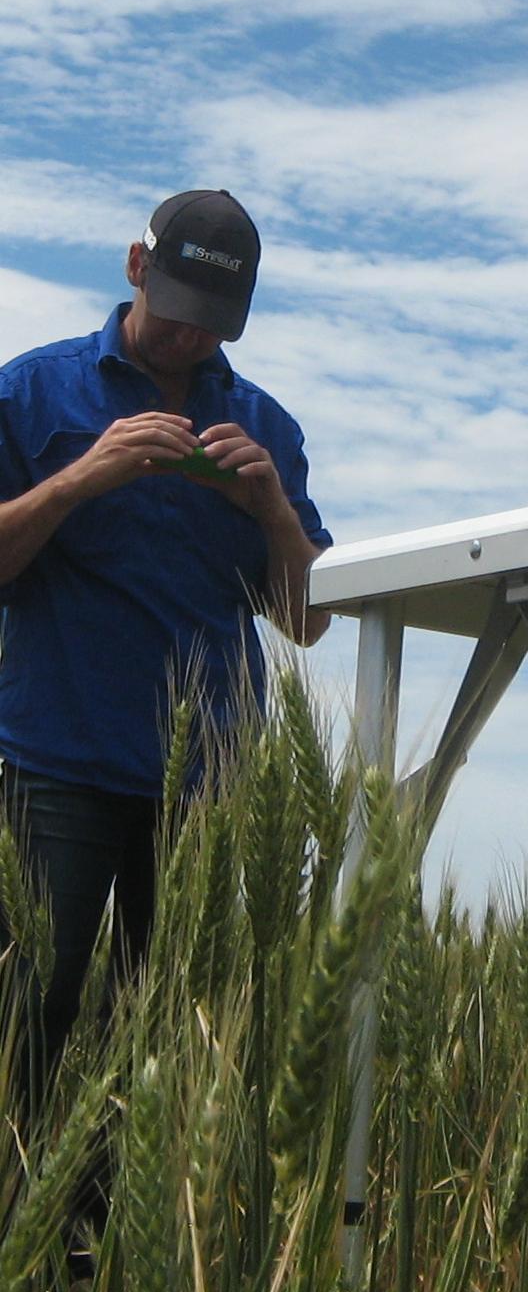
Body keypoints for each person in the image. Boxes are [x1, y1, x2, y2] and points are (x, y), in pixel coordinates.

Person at [0, 189, 331, 1108]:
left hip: (209, 784)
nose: (192, 342)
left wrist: (270, 512)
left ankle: (113, 1237)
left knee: (165, 1033)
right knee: (31, 1010)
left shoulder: (269, 430)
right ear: (137, 266)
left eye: (215, 327)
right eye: (179, 315)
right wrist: (78, 479)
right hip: (55, 763)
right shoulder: (31, 391)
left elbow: (306, 620)